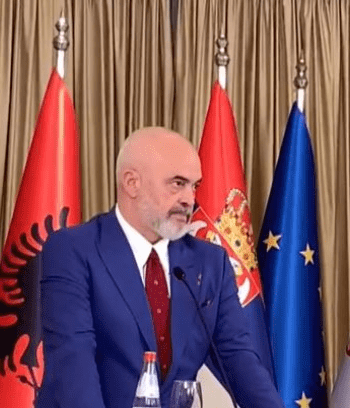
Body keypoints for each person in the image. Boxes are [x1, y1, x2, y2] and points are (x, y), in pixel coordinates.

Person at [37, 127, 285, 408]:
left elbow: (240, 361)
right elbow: (73, 366)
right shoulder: (74, 250)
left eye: (195, 186)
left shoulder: (210, 262)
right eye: (177, 184)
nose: (190, 199)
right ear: (132, 183)